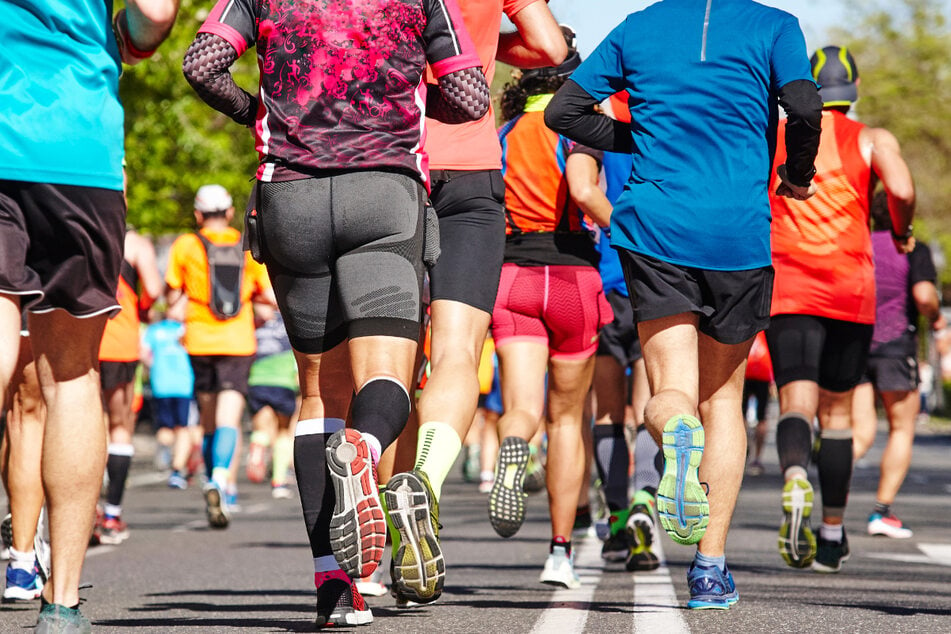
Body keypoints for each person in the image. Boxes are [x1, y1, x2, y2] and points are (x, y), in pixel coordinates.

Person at [183, 0, 489, 626]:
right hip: (384, 189)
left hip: (288, 194)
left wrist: (256, 112)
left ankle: (332, 586)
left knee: (318, 392)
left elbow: (202, 65)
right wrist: (400, 97)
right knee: (387, 380)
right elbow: (470, 94)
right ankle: (366, 446)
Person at [545, 0, 822, 609]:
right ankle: (710, 569)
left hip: (656, 230)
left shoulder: (638, 27)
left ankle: (676, 437)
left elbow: (563, 112)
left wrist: (640, 136)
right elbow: (803, 105)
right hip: (737, 234)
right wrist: (797, 171)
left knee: (670, 387)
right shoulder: (776, 27)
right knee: (722, 398)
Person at [0, 0, 178, 629]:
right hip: (82, 149)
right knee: (71, 378)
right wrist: (128, 37)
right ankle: (62, 603)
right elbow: (154, 14)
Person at [384, 1, 568, 606]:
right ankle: (426, 483)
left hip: (387, 164)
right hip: (469, 168)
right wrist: (489, 50)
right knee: (457, 351)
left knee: (390, 361)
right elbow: (549, 48)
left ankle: (375, 545)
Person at [767, 46, 915, 573]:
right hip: (851, 290)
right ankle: (831, 535)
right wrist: (901, 230)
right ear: (852, 89)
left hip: (789, 286)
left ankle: (792, 478)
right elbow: (900, 186)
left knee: (796, 404)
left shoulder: (778, 135)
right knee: (837, 417)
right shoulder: (872, 138)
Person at [486, 50, 613, 589]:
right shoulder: (576, 132)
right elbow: (587, 195)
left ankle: (514, 449)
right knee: (567, 420)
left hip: (510, 276)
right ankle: (559, 552)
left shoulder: (501, 134)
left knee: (521, 409)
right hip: (572, 279)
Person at [164, 185, 275, 529]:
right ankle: (222, 479)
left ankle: (213, 477)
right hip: (238, 340)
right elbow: (269, 297)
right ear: (229, 213)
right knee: (230, 416)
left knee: (208, 419)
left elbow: (171, 297)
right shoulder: (245, 245)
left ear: (198, 215)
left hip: (198, 341)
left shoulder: (185, 245)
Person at [589, 92, 661, 571]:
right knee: (657, 405)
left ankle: (616, 526)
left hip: (608, 279)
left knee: (609, 413)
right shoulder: (673, 105)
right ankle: (644, 503)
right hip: (662, 279)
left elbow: (582, 189)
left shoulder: (596, 116)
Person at [851, 191, 942, 538]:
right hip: (895, 347)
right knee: (901, 429)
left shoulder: (859, 244)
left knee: (859, 432)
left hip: (855, 343)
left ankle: (830, 509)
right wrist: (936, 319)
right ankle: (881, 512)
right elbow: (923, 296)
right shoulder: (912, 249)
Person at [96, 227, 163, 544]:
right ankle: (111, 514)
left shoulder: (75, 226)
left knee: (84, 427)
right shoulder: (134, 242)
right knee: (120, 427)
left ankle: (85, 511)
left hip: (79, 343)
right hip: (120, 341)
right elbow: (152, 288)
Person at [245, 311, 299, 499]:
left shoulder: (255, 322)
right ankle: (278, 481)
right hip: (283, 381)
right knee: (283, 432)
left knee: (261, 427)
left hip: (257, 380)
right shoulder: (290, 322)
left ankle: (258, 446)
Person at [142, 311, 196, 490]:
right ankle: (177, 470)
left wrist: (155, 367)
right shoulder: (187, 327)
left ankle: (166, 454)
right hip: (184, 385)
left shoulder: (154, 330)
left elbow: (143, 353)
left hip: (161, 384)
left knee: (165, 427)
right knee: (182, 428)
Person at [743, 330, 774, 476]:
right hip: (763, 371)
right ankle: (757, 458)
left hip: (745, 369)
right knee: (762, 418)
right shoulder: (766, 322)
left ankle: (742, 451)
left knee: (739, 415)